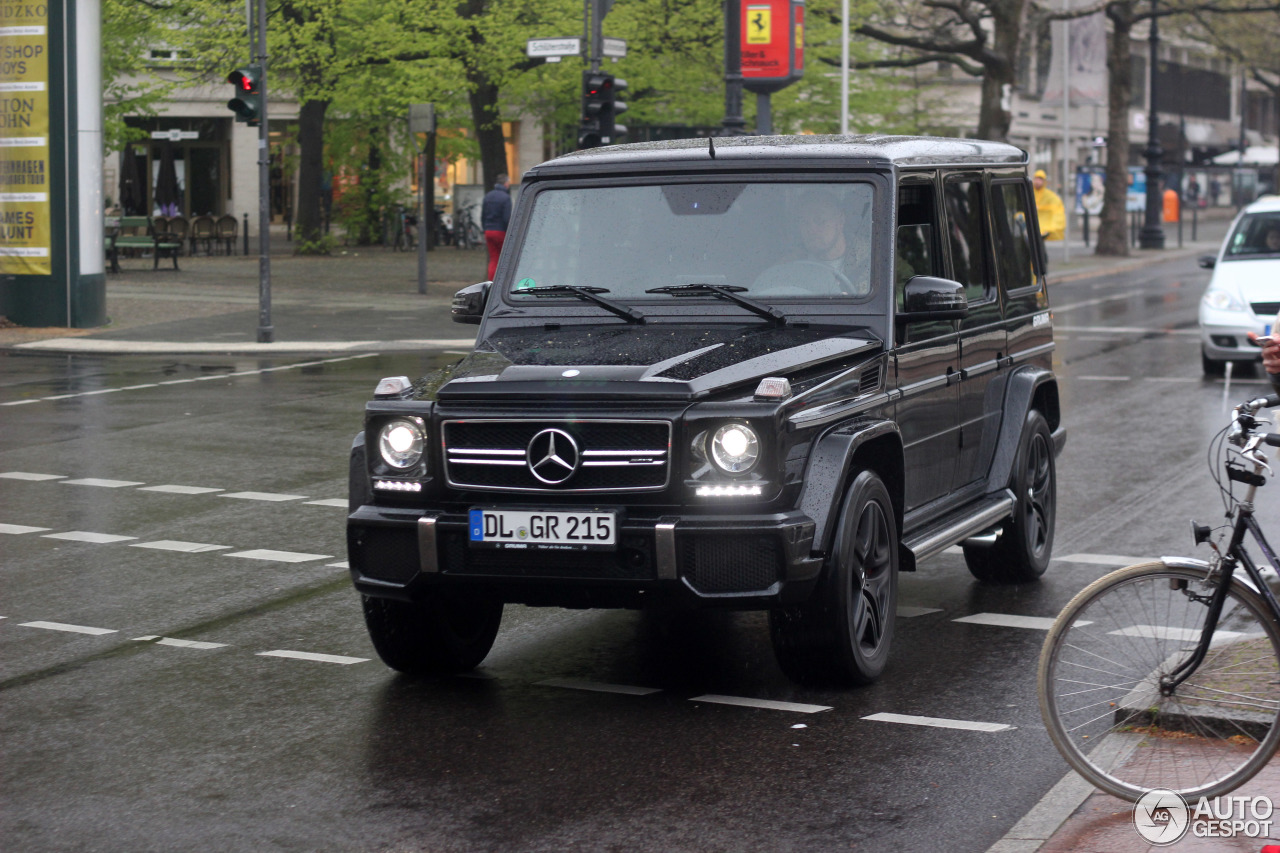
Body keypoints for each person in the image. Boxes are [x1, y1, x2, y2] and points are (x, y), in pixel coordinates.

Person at [481, 173, 512, 280]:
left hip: (489, 231)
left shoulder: (488, 196)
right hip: (501, 232)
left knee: (494, 258)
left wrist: (485, 228)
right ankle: (502, 281)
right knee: (505, 258)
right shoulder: (506, 198)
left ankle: (491, 282)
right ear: (506, 183)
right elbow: (506, 218)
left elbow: (483, 214)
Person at [1033, 169, 1065, 242]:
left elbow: (1058, 212)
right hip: (1033, 228)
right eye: (1036, 179)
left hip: (1044, 230)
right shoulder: (1029, 193)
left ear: (1044, 181)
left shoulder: (1050, 196)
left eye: (1040, 179)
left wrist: (1053, 227)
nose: (1038, 181)